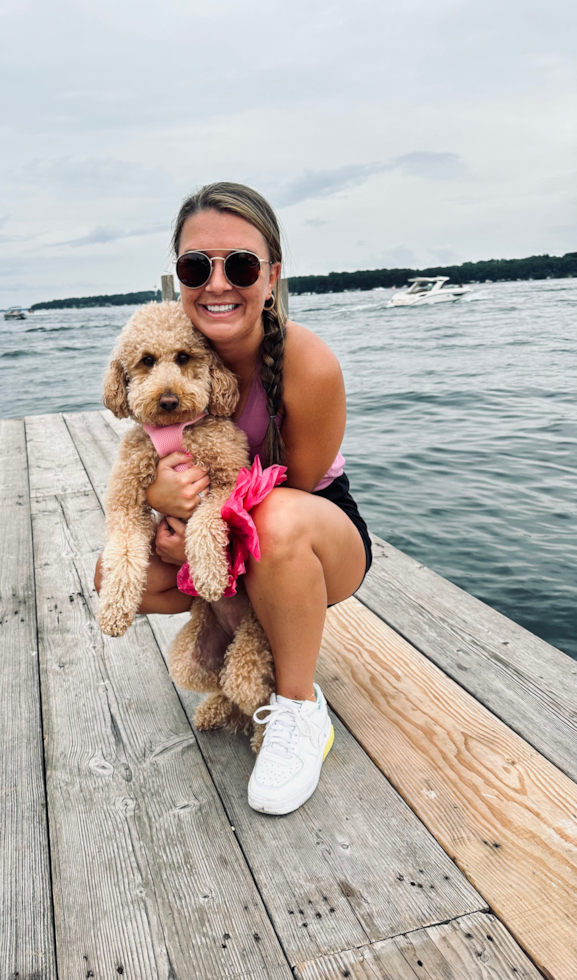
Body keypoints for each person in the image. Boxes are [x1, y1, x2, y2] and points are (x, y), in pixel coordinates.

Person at [95, 181, 372, 815]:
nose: (218, 283)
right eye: (198, 266)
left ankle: (299, 707)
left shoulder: (309, 364)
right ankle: (237, 660)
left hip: (311, 534)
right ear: (180, 277)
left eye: (240, 265)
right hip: (214, 522)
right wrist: (161, 499)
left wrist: (193, 510)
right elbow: (146, 483)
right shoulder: (178, 360)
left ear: (271, 276)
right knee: (116, 577)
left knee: (271, 518)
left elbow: (289, 496)